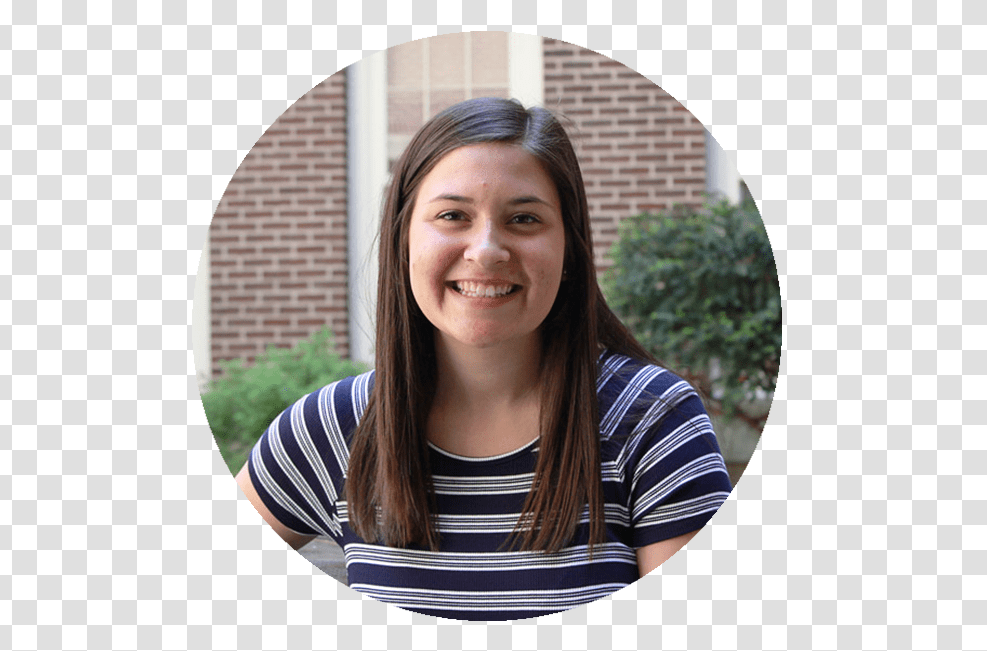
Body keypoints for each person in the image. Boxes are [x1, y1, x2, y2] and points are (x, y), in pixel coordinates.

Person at [235, 97, 733, 621]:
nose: (487, 249)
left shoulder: (653, 420)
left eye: (523, 219)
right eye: (453, 216)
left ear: (569, 249)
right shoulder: (332, 429)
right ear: (404, 239)